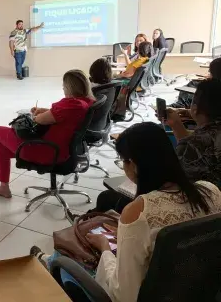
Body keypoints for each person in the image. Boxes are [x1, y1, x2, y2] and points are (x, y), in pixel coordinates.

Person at [32, 122, 221, 302]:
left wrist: (105, 247)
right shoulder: (210, 191)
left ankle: (49, 263)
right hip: (194, 291)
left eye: (124, 161)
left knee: (64, 259)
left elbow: (123, 295)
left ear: (134, 164)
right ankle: (48, 261)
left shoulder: (140, 212)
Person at [0, 70, 94, 198]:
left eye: (64, 86)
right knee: (0, 147)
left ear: (70, 87)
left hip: (46, 151)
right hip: (61, 150)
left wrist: (35, 115)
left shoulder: (72, 105)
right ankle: (3, 188)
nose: (62, 88)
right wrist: (44, 111)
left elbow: (39, 120)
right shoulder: (85, 103)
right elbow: (61, 116)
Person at [165, 79, 221, 188]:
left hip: (203, 199)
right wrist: (178, 123)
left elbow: (176, 179)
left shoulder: (191, 144)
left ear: (195, 108)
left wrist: (176, 124)